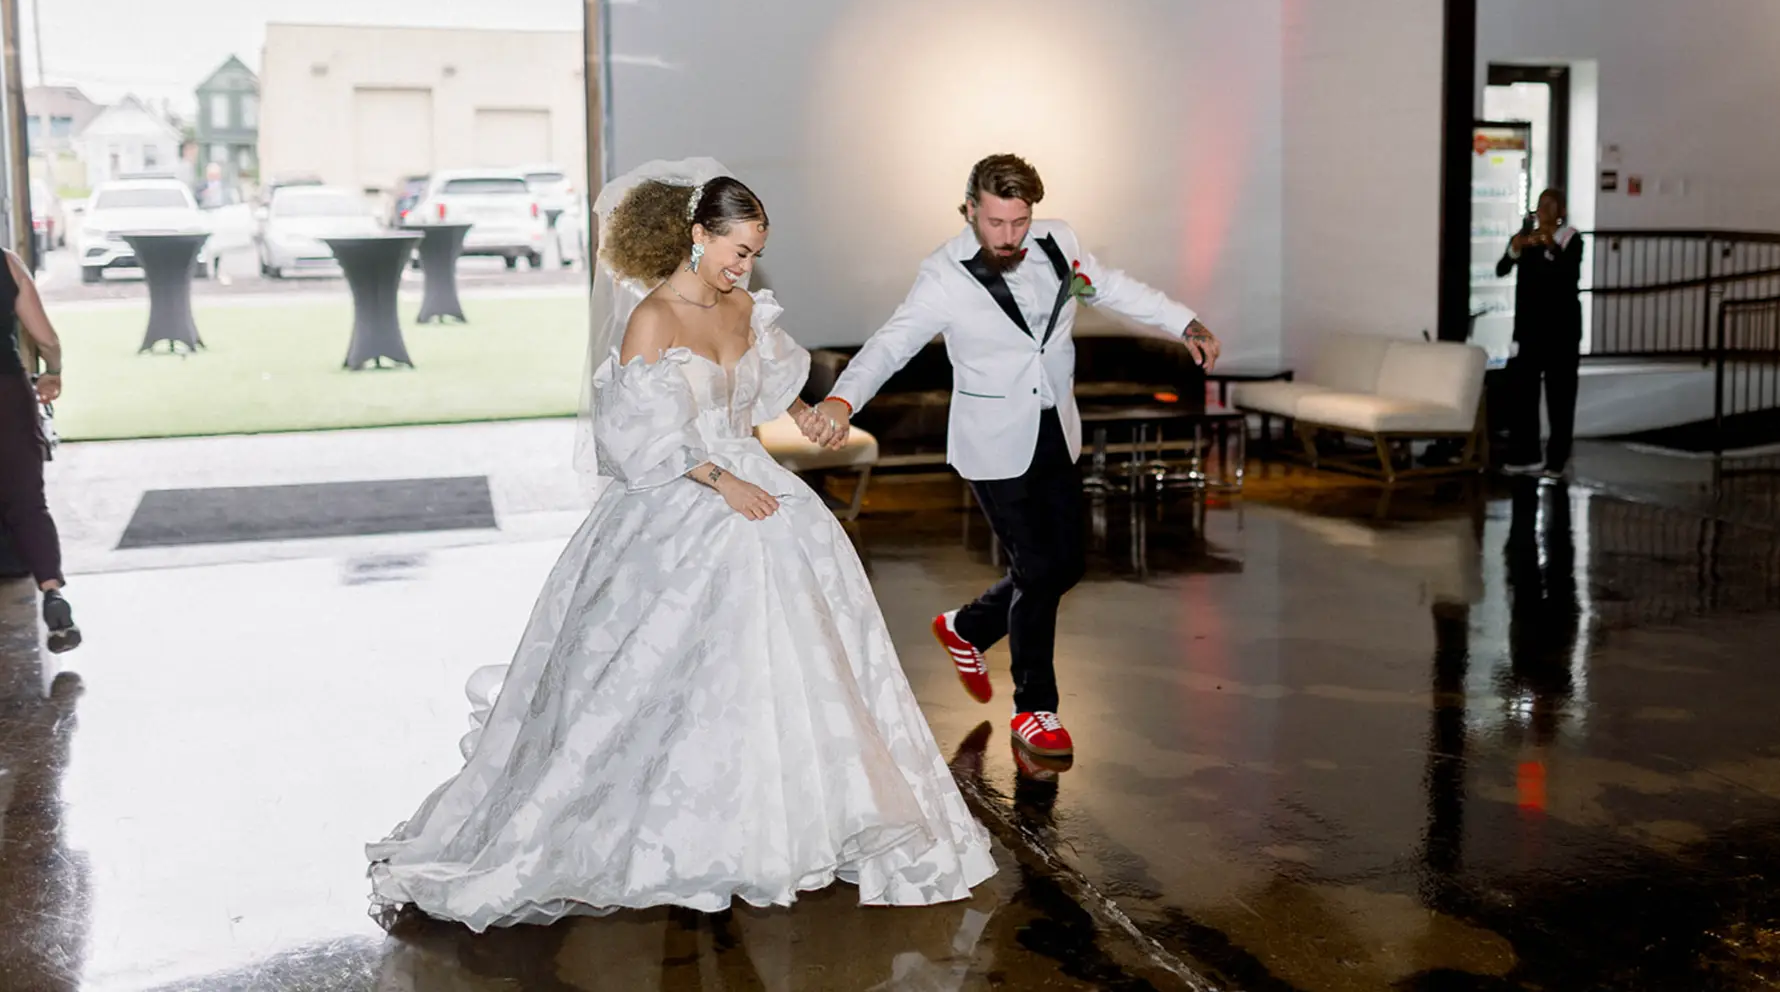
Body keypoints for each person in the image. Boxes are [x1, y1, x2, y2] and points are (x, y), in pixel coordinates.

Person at [368, 159, 994, 930]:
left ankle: (783, 820)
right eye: (738, 250)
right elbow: (637, 435)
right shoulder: (653, 318)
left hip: (757, 484)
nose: (746, 267)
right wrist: (720, 481)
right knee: (655, 669)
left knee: (796, 655)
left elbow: (767, 391)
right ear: (698, 235)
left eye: (755, 253)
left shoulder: (745, 309)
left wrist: (811, 414)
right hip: (676, 494)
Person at [814, 154, 1220, 766]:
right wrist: (843, 399)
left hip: (1055, 426)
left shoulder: (1059, 242)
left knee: (1067, 565)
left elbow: (1113, 287)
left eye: (1019, 221)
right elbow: (892, 343)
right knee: (1037, 569)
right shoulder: (944, 274)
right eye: (996, 222)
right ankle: (1034, 707)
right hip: (992, 442)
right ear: (969, 210)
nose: (1008, 236)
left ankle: (970, 627)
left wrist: (1185, 322)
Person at [0, 248, 80, 653]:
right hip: (7, 393)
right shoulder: (7, 263)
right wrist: (53, 370)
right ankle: (53, 594)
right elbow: (46, 338)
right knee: (27, 500)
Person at [1496, 187, 1584, 480]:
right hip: (1529, 330)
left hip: (1562, 332)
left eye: (1550, 204)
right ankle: (1526, 454)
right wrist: (1515, 248)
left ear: (1561, 212)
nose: (1544, 209)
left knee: (1560, 395)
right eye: (1540, 204)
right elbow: (1501, 268)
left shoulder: (1570, 239)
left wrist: (1551, 247)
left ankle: (1557, 460)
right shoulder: (1527, 237)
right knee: (1523, 394)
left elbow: (1568, 275)